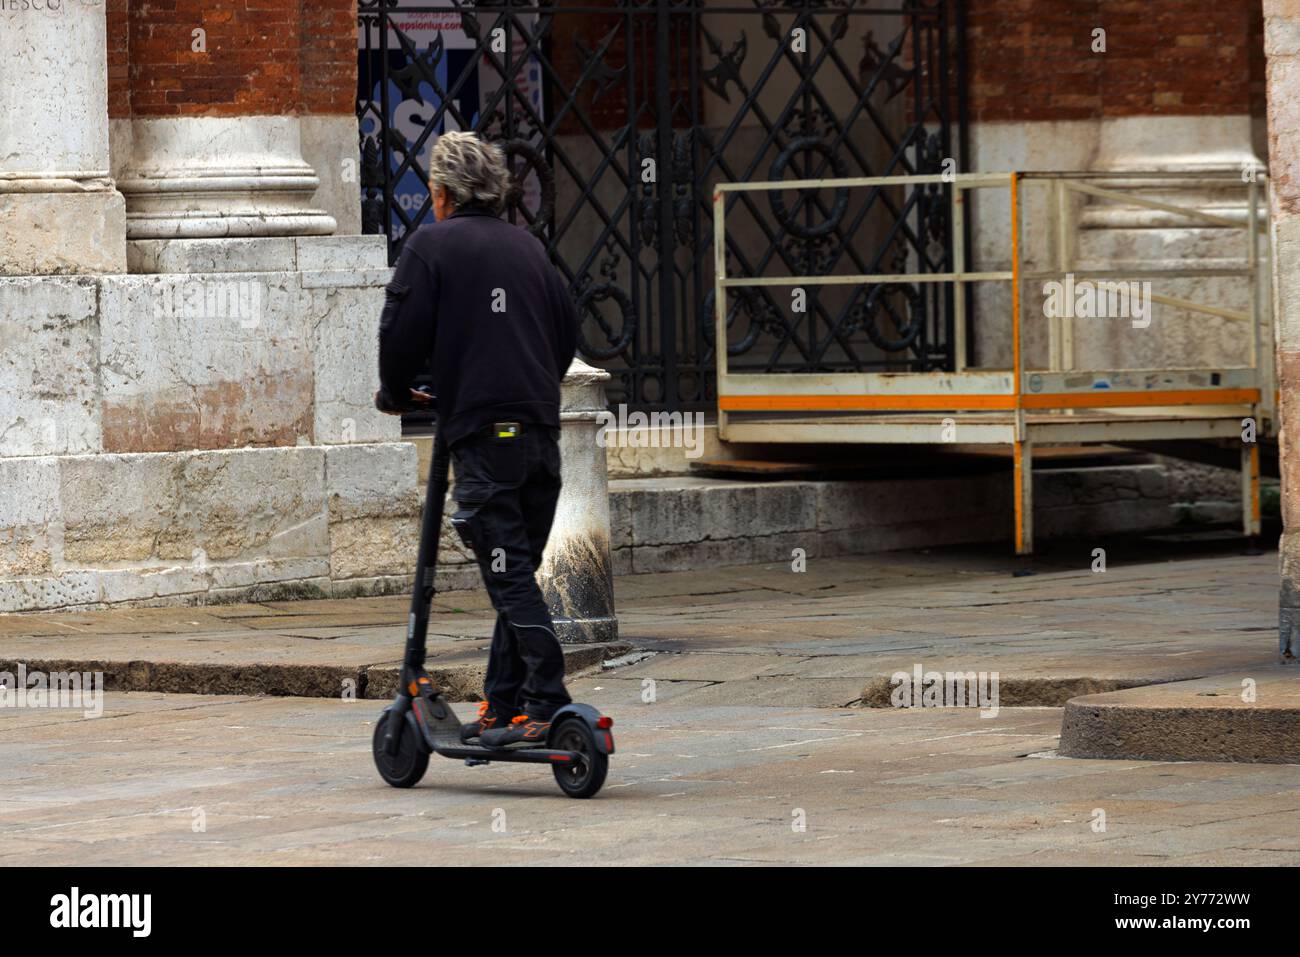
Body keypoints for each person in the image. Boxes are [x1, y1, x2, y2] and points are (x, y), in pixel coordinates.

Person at [375, 131, 579, 749]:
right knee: (514, 570)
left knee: (508, 572)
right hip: (538, 427)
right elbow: (565, 333)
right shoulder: (529, 248)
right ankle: (503, 705)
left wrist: (396, 389)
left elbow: (400, 330)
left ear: (439, 193)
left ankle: (547, 699)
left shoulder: (432, 244)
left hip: (485, 433)